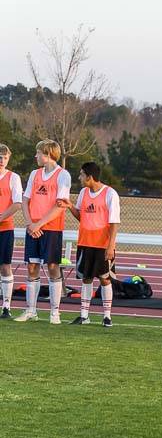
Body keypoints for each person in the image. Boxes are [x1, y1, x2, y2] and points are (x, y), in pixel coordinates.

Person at [14, 140, 71, 324]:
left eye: (38, 153)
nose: (35, 156)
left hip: (51, 229)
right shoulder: (34, 174)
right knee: (31, 267)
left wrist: (39, 225)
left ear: (47, 154)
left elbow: (60, 206)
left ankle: (55, 312)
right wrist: (31, 224)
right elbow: (25, 201)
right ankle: (31, 310)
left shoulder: (63, 175)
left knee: (53, 267)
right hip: (33, 229)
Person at [59, 162, 121, 327]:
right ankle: (84, 315)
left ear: (89, 177)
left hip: (102, 245)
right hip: (85, 243)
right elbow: (82, 216)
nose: (79, 178)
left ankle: (107, 316)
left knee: (104, 279)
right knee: (86, 279)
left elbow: (114, 222)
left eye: (81, 175)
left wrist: (110, 245)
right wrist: (70, 206)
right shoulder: (83, 192)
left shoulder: (110, 194)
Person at [0, 144, 24, 319]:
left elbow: (17, 203)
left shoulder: (13, 178)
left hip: (5, 228)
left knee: (5, 266)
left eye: (5, 158)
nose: (2, 160)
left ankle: (6, 307)